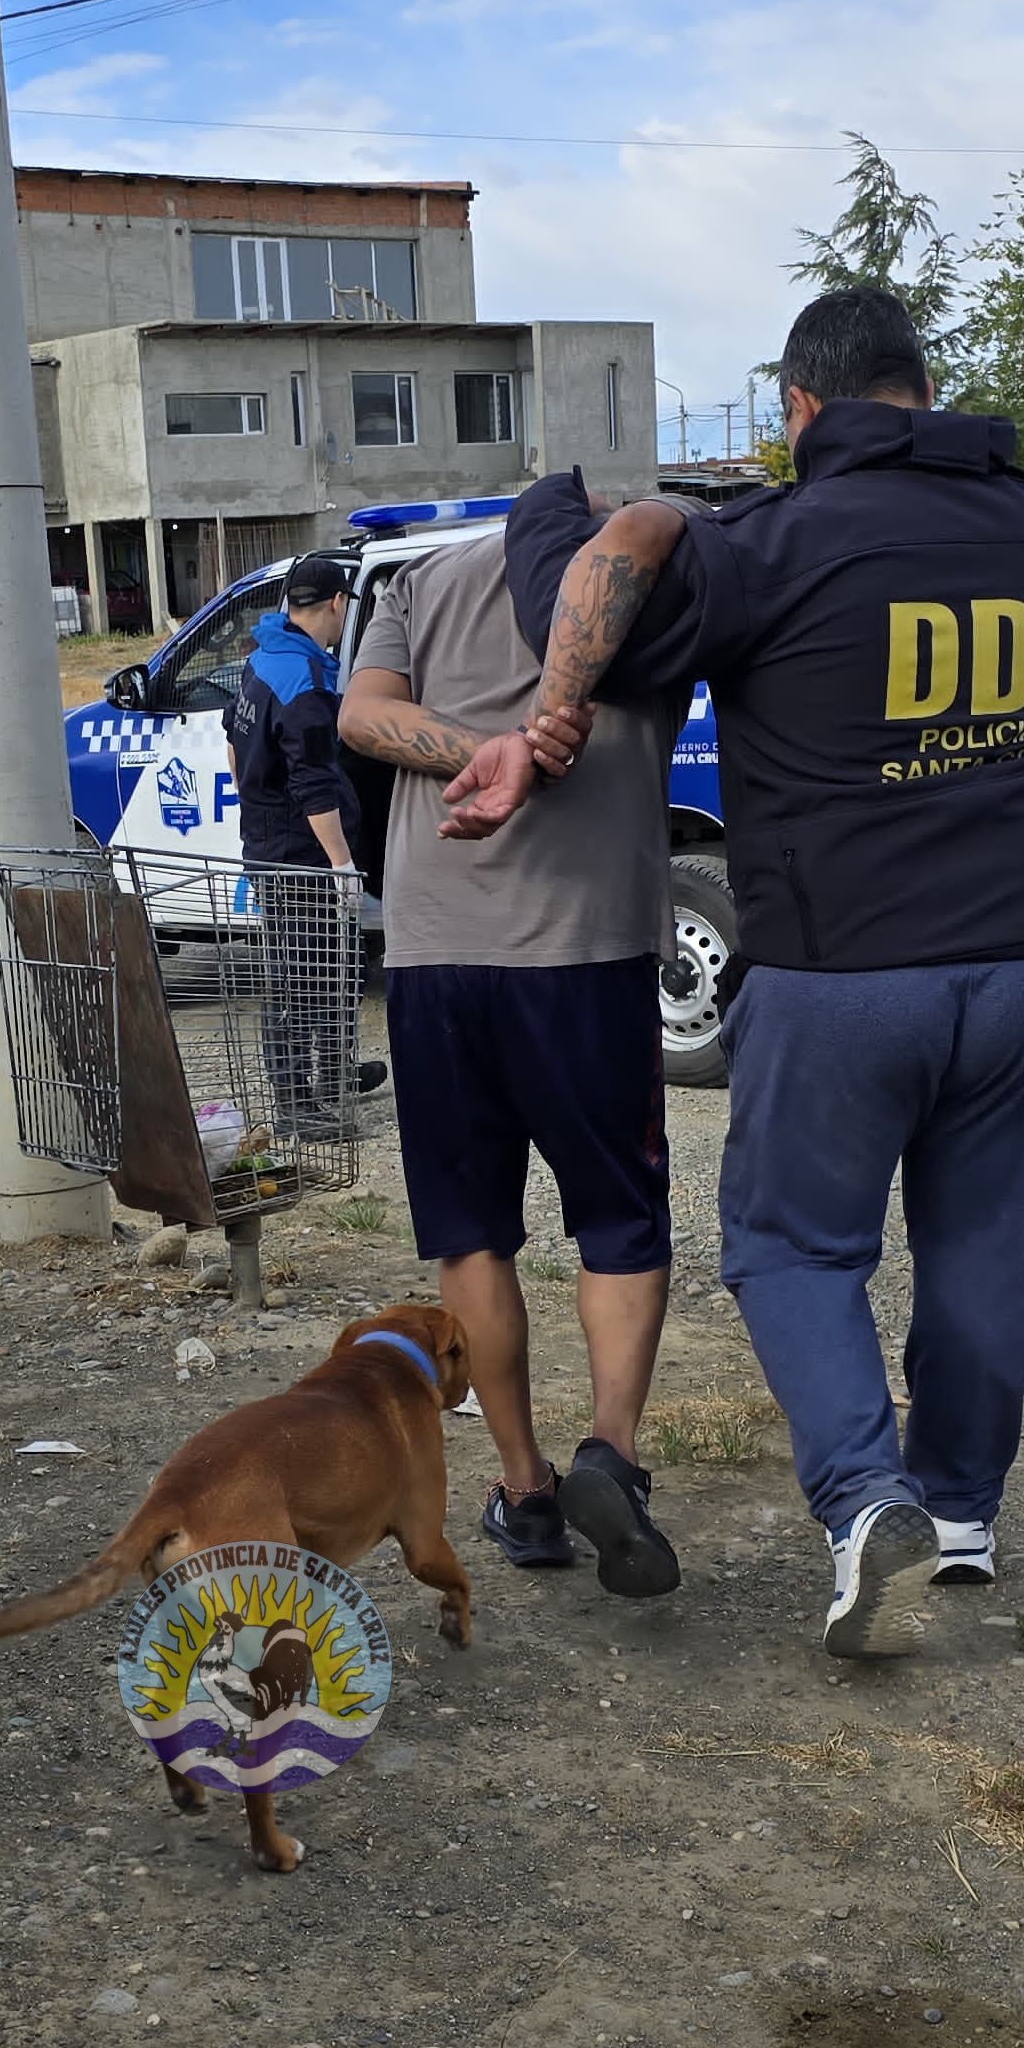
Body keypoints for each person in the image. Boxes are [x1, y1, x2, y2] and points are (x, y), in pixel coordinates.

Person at [467, 284, 1024, 1658]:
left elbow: (577, 627)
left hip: (853, 964)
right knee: (987, 1248)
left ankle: (862, 1493)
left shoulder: (772, 541)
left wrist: (556, 511)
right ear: (920, 392)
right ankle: (960, 1512)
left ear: (800, 408)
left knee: (789, 1242)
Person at [336, 520, 681, 1595]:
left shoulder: (420, 576)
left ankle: (525, 1488)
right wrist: (535, 744)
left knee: (470, 1233)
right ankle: (611, 1455)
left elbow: (361, 714)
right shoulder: (661, 566)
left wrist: (472, 747)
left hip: (437, 952)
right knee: (620, 1217)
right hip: (586, 948)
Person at [224, 550, 386, 1138]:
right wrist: (342, 863)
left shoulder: (265, 657)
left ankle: (334, 1073)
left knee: (337, 967)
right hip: (301, 856)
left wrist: (255, 806)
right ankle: (295, 1105)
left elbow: (234, 745)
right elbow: (313, 781)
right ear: (339, 604)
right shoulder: (305, 680)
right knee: (302, 976)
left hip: (273, 841)